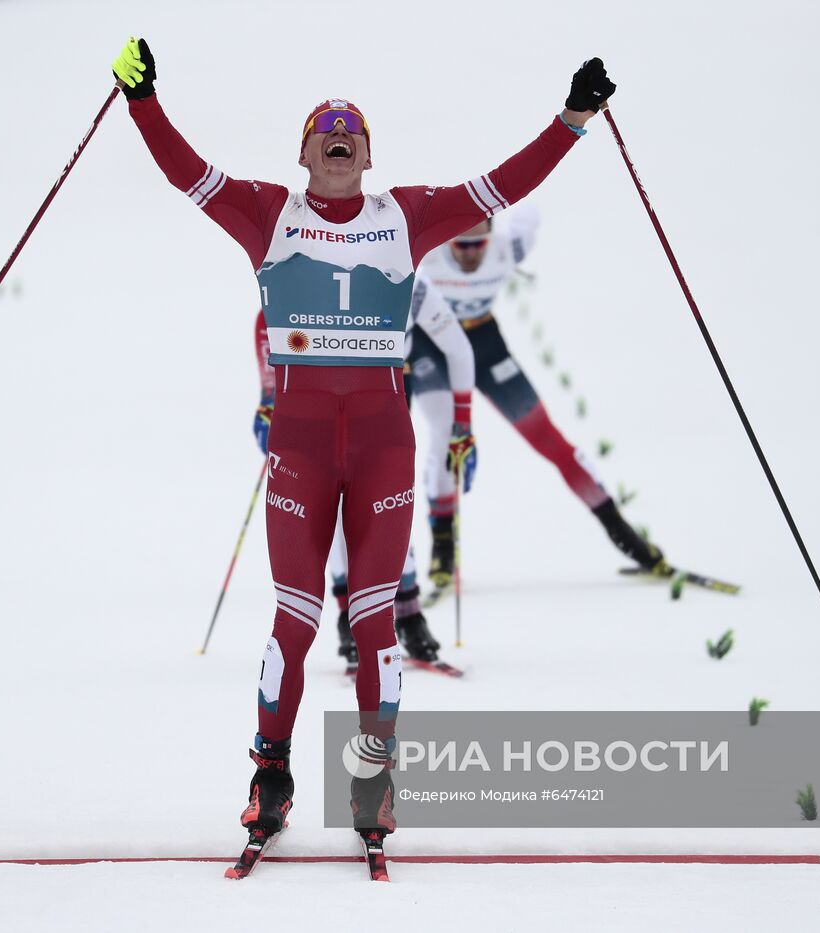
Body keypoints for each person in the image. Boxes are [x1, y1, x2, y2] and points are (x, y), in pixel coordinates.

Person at [111, 36, 616, 852]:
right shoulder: (269, 214)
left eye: (353, 130)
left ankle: (374, 783)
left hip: (380, 447)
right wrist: (143, 101)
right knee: (295, 621)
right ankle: (269, 775)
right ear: (305, 152)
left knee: (375, 621)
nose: (339, 135)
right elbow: (185, 172)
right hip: (302, 451)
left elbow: (501, 184)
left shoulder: (406, 215)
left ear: (368, 154)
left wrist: (573, 120)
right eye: (325, 129)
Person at [410, 204, 668, 585]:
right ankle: (444, 547)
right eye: (460, 245)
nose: (469, 253)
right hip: (432, 349)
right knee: (444, 439)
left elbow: (529, 206)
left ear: (492, 236)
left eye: (478, 244)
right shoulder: (425, 256)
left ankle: (622, 532)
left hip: (484, 343)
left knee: (547, 437)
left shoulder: (510, 246)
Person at [252, 269, 477, 667]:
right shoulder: (310, 271)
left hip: (379, 405)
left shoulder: (409, 283)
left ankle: (406, 613)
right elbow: (266, 322)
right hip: (314, 407)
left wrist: (462, 423)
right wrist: (269, 398)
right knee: (332, 509)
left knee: (385, 506)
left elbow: (458, 349)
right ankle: (347, 613)